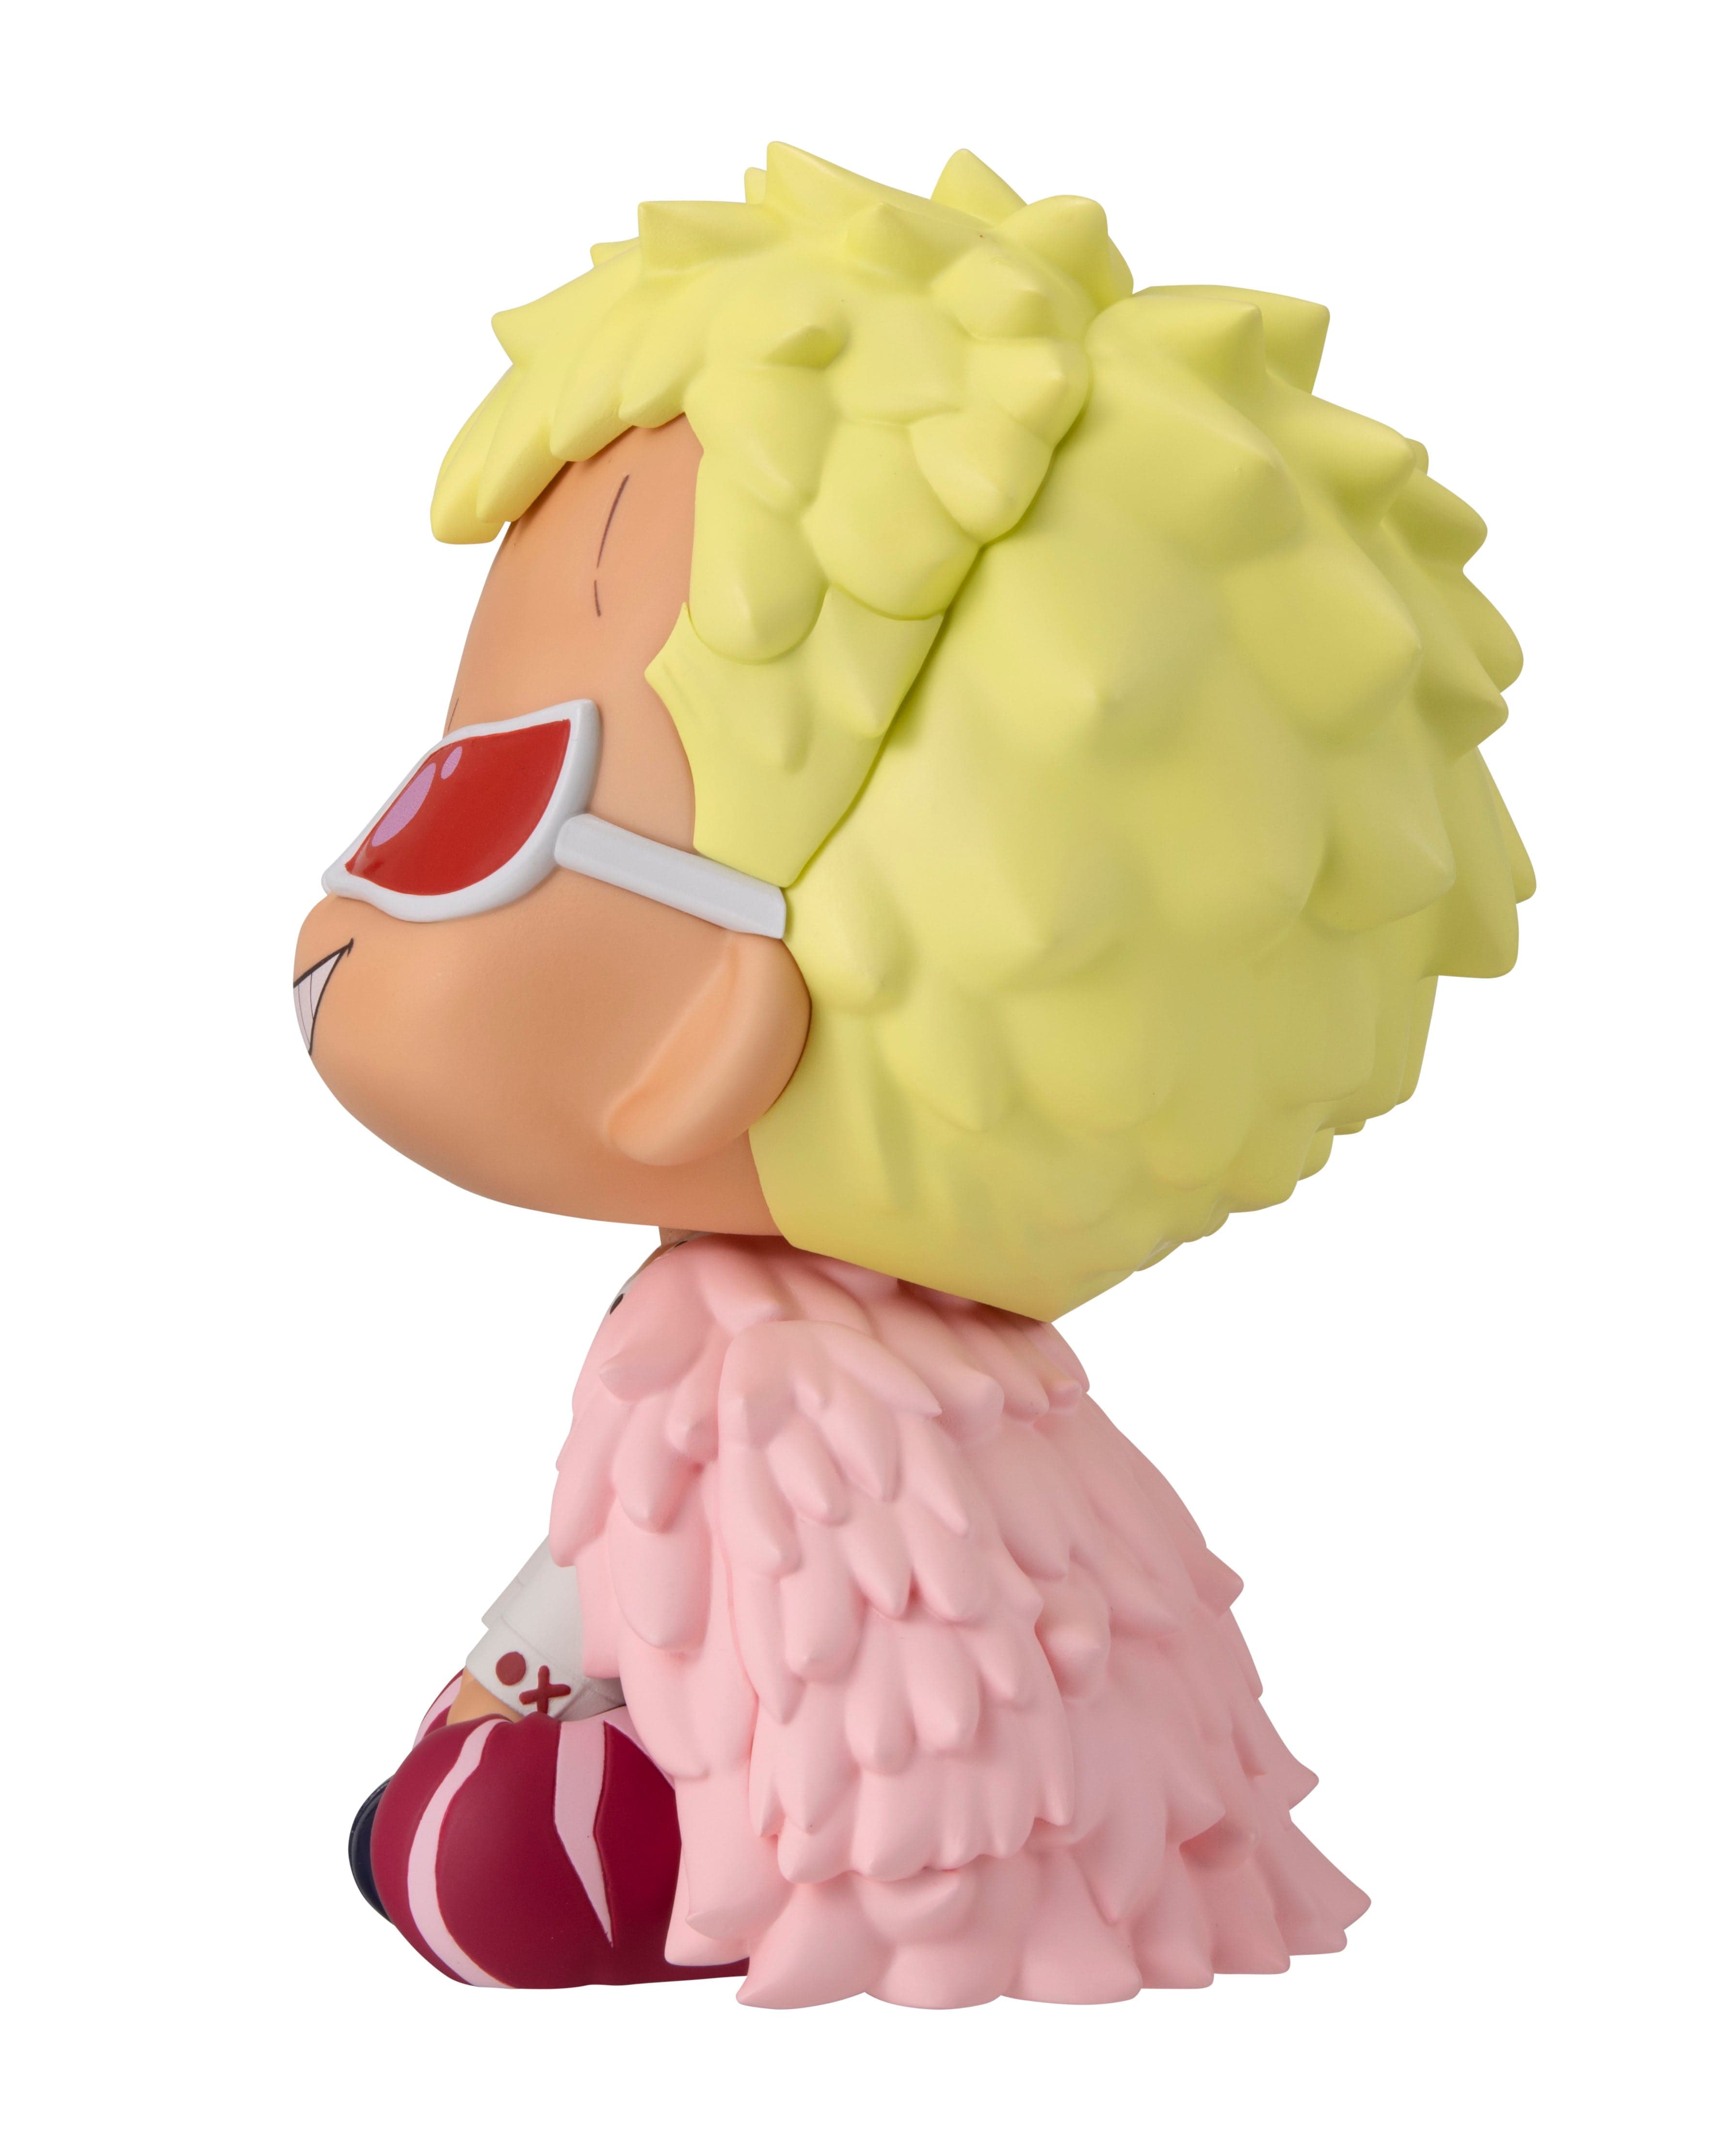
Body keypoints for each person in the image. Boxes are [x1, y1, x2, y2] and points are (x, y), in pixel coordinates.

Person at [294, 143, 1530, 2004]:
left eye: (490, 792)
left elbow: (628, 1576)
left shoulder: (735, 1363)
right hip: (840, 1812)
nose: (358, 887)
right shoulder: (994, 1411)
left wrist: (510, 1677)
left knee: (458, 1857)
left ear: (719, 1026)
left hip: (745, 1831)